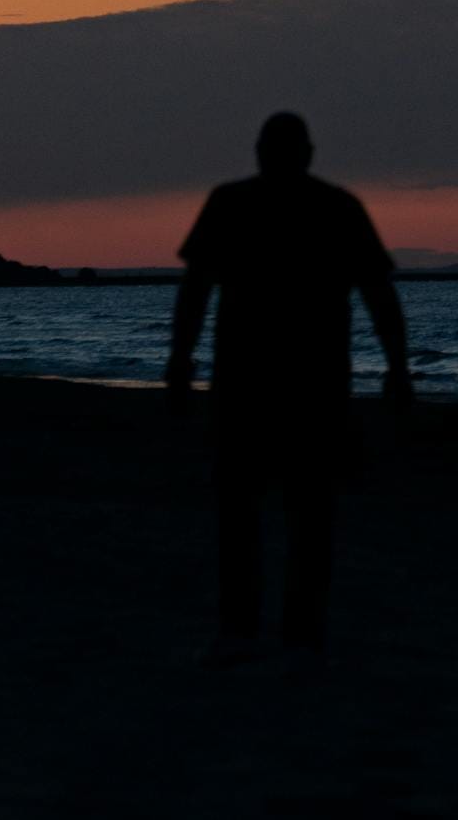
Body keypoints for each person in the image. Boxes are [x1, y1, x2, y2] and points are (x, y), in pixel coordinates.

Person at [165, 112, 413, 671]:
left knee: (260, 513)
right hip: (299, 385)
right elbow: (379, 294)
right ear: (307, 152)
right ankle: (283, 636)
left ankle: (252, 633)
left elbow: (195, 290)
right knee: (296, 515)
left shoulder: (244, 204)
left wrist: (180, 362)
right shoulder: (331, 206)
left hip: (272, 384)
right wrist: (397, 368)